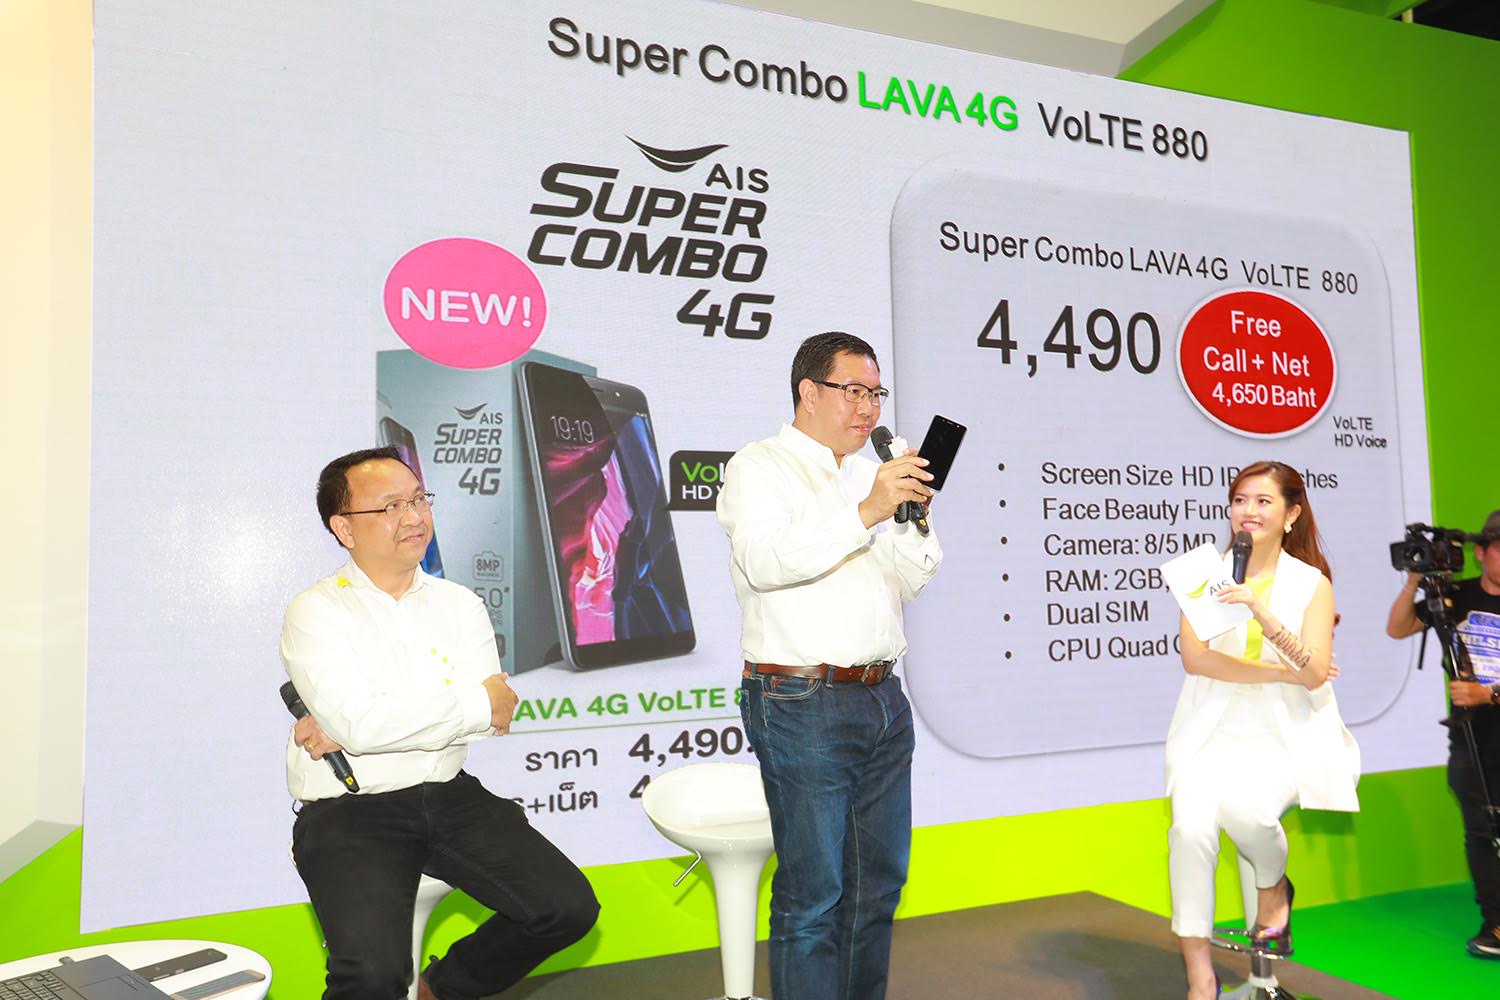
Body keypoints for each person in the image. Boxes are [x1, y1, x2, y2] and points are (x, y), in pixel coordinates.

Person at [283, 446, 599, 1000]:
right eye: (390, 507)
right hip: (352, 808)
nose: (413, 517)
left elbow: (494, 715)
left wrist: (369, 719)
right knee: (373, 977)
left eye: (419, 499)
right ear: (344, 528)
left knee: (566, 907)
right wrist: (371, 721)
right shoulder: (317, 610)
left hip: (448, 793)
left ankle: (440, 989)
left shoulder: (460, 603)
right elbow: (363, 725)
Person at [715, 331, 942, 1000]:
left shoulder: (873, 473)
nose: (868, 407)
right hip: (800, 701)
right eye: (854, 391)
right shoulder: (760, 466)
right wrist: (868, 509)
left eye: (876, 393)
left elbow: (912, 579)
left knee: (877, 888)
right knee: (813, 896)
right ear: (808, 392)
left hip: (882, 698)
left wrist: (911, 519)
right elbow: (766, 563)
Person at [1164, 461, 1360, 1000]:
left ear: (1292, 514)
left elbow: (1314, 674)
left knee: (1249, 817)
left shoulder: (1311, 583)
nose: (1247, 511)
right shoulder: (1203, 573)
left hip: (1281, 733)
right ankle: (1201, 981)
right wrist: (1280, 672)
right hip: (1208, 728)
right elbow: (1197, 660)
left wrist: (1261, 611)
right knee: (1190, 834)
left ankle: (1273, 891)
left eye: (1263, 501)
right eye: (1240, 500)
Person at [1386, 509, 1500, 959]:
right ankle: (1495, 924)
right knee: (1480, 831)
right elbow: (1398, 628)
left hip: (1485, 714)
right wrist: (1415, 581)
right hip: (1472, 738)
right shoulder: (1452, 597)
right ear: (1480, 553)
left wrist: (1488, 694)